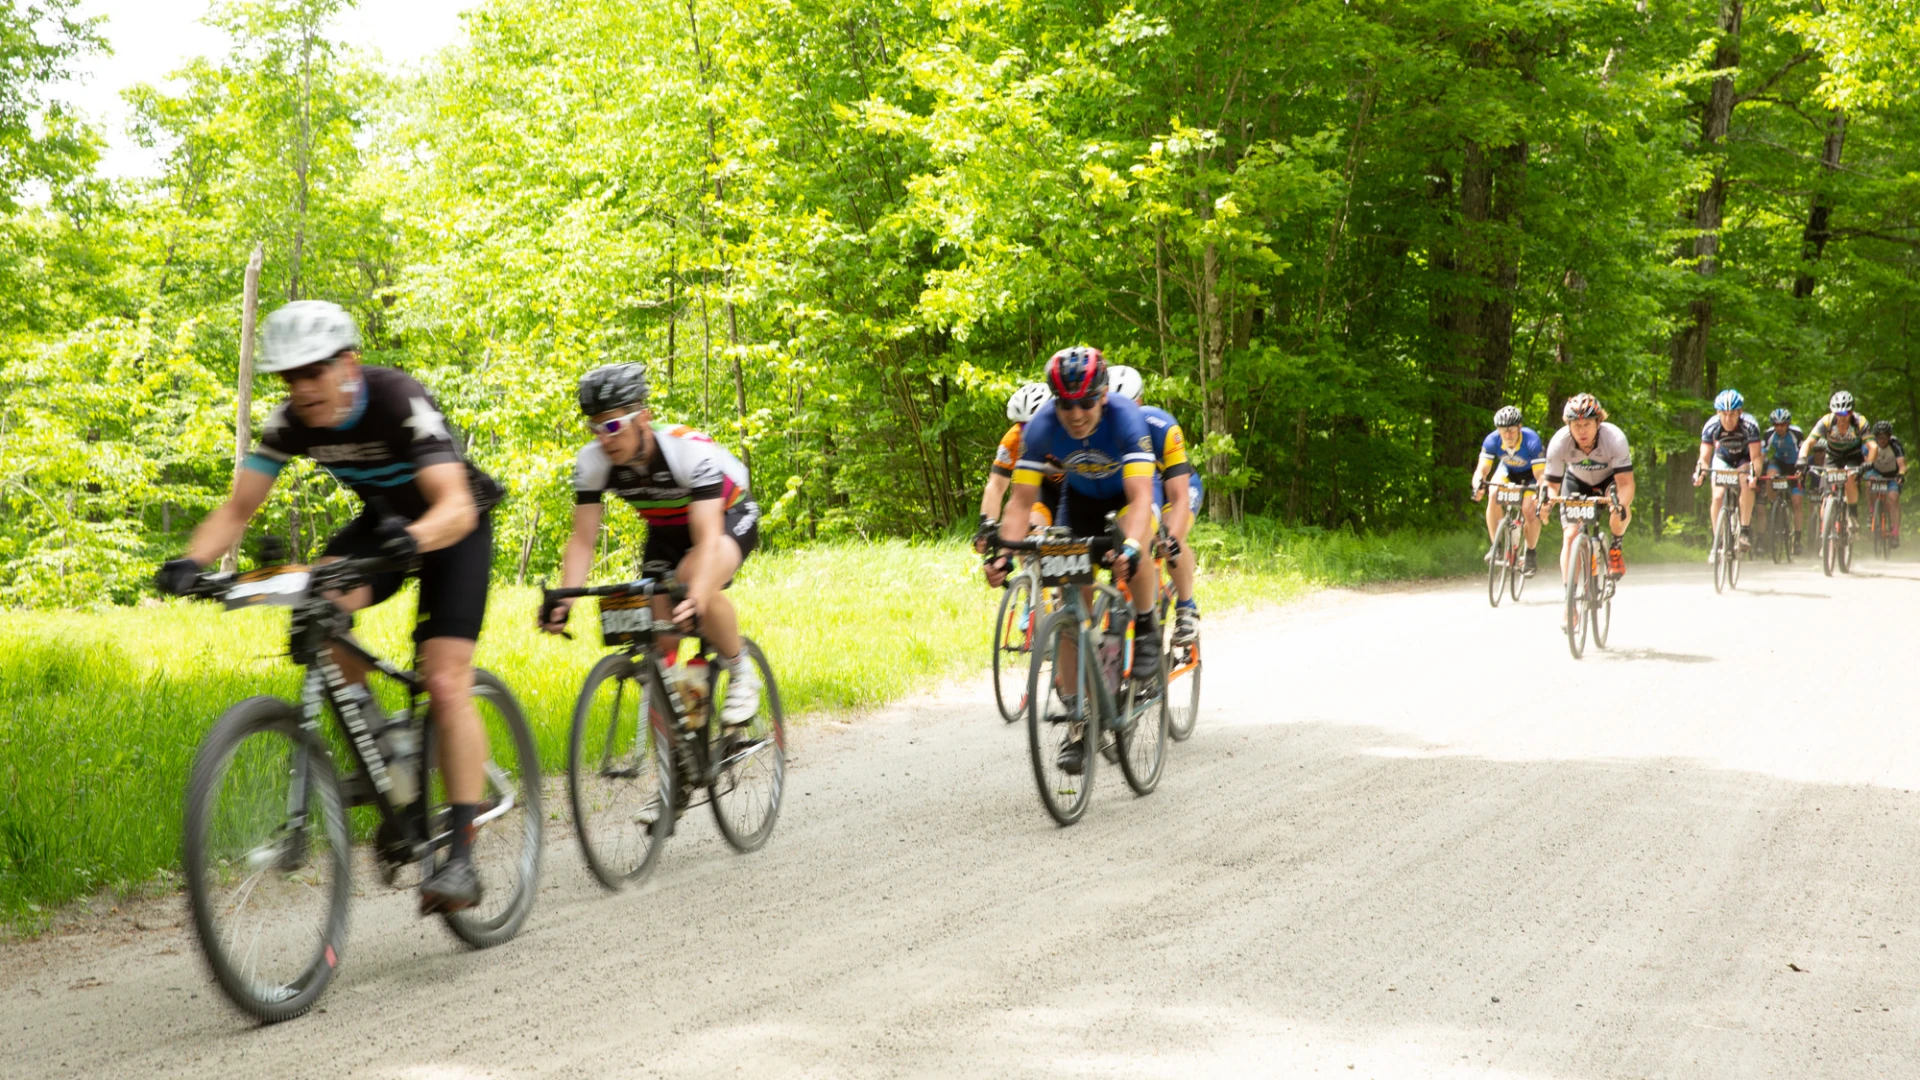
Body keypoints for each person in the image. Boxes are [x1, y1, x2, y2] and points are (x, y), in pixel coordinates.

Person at [155, 300, 499, 913]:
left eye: (314, 371)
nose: (303, 388)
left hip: (453, 527)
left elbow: (454, 503)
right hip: (386, 525)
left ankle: (464, 860)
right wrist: (193, 564)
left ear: (349, 363)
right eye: (289, 377)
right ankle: (390, 763)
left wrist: (416, 539)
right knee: (318, 609)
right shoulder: (290, 423)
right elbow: (238, 509)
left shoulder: (398, 399)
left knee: (446, 680)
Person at [539, 363, 763, 726]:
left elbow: (705, 539)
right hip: (666, 531)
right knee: (659, 646)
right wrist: (564, 598)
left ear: (643, 417)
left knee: (691, 581)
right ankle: (683, 764)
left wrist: (696, 596)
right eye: (594, 428)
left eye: (612, 425)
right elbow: (582, 541)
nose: (604, 438)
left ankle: (741, 671)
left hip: (727, 515)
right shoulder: (594, 461)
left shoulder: (686, 450)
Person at [983, 346, 1161, 775]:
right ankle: (1077, 721)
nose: (1076, 413)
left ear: (1102, 395)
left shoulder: (1126, 419)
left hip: (1127, 496)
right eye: (1066, 403)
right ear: (1054, 402)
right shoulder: (1041, 427)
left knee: (1134, 555)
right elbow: (1020, 501)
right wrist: (1004, 553)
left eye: (1085, 402)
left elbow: (1140, 500)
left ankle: (1148, 626)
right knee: (1069, 601)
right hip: (1078, 499)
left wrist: (1132, 547)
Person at [1107, 365, 1202, 645]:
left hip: (1178, 486)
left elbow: (1179, 496)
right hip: (1140, 489)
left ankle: (1186, 608)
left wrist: (1171, 535)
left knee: (1168, 540)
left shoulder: (1161, 427)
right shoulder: (1098, 430)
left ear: (1139, 402)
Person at [1542, 394, 1635, 592]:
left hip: (1609, 481)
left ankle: (1616, 547)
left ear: (1598, 422)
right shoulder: (1560, 442)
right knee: (1570, 536)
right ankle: (1570, 599)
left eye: (1587, 425)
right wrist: (1546, 503)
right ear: (1568, 426)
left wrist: (1619, 505)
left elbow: (1626, 484)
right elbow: (1551, 484)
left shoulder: (1615, 438)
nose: (1582, 431)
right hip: (1576, 482)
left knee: (1620, 510)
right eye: (1576, 426)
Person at [977, 382, 1062, 552]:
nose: (1028, 431)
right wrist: (986, 527)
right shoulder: (1013, 439)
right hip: (1044, 491)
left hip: (1076, 489)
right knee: (1028, 536)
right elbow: (995, 486)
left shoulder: (1071, 431)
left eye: (1036, 424)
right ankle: (1032, 576)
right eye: (1023, 425)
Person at [1469, 405, 1546, 576]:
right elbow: (1481, 470)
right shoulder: (1492, 440)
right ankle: (1497, 546)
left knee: (1528, 509)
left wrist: (1541, 492)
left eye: (1511, 430)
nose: (1508, 434)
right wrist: (1478, 485)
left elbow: (1541, 475)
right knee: (1493, 494)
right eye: (1503, 430)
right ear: (1498, 430)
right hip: (1508, 471)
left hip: (1531, 475)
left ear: (1519, 427)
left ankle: (1531, 553)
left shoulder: (1531, 440)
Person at [1691, 389, 1763, 552]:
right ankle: (1718, 540)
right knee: (1717, 496)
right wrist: (1700, 473)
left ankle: (1744, 530)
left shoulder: (1750, 425)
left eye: (1732, 414)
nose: (1728, 419)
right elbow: (1704, 457)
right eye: (1724, 414)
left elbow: (1756, 457)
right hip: (1722, 459)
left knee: (1746, 482)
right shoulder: (1711, 426)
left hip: (1744, 459)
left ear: (1740, 412)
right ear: (1718, 413)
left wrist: (1754, 475)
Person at [1798, 391, 1878, 526]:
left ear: (1851, 412)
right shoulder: (1827, 421)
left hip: (1853, 456)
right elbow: (1808, 442)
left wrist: (1868, 463)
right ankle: (1826, 536)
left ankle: (1852, 514)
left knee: (1849, 477)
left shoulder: (1859, 422)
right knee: (1826, 496)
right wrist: (1802, 459)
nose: (1842, 418)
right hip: (1833, 457)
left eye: (1845, 414)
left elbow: (1873, 447)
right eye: (1838, 414)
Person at [1759, 408, 1806, 553]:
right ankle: (1775, 505)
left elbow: (1802, 452)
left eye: (1782, 425)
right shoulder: (1768, 434)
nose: (1779, 428)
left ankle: (1797, 541)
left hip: (1795, 465)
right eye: (1776, 425)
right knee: (1770, 475)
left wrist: (1801, 470)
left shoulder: (1796, 433)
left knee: (1797, 503)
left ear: (1787, 424)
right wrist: (1755, 470)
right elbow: (1761, 455)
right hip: (1779, 462)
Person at [1865, 419, 1907, 547]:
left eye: (1884, 437)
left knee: (1893, 498)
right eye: (1878, 437)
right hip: (1876, 473)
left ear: (1889, 436)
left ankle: (1894, 532)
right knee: (1868, 483)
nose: (1881, 440)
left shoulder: (1895, 445)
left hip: (1892, 475)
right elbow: (1866, 464)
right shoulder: (1871, 446)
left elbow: (1902, 465)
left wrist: (1901, 474)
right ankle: (1872, 511)